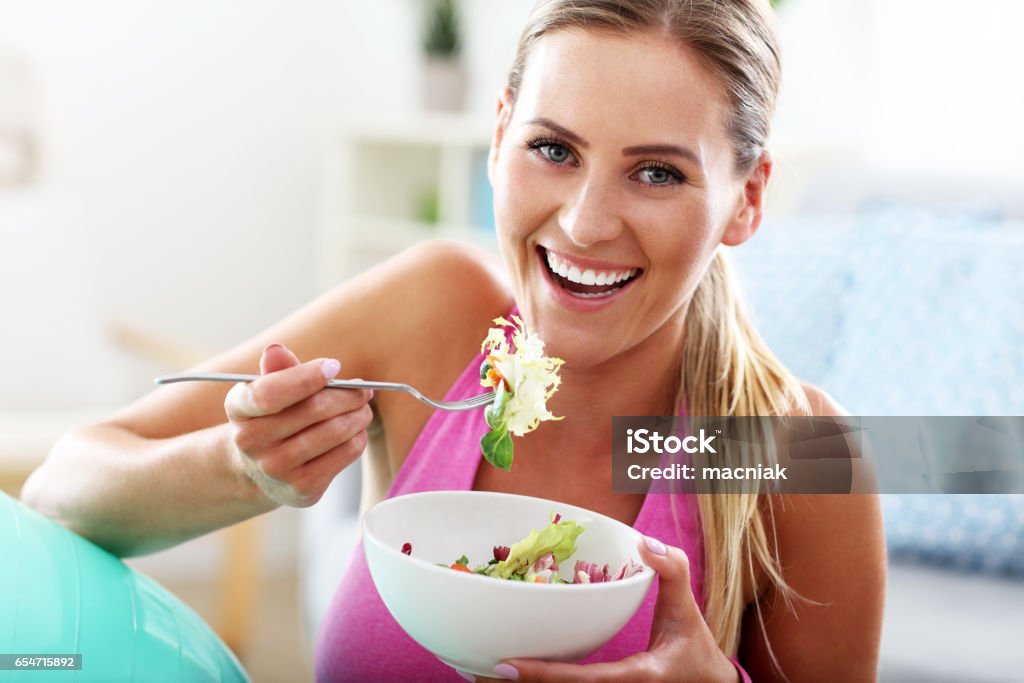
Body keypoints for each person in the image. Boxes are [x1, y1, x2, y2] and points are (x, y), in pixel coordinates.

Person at [22, 0, 885, 680]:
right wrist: (240, 468)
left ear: (748, 197)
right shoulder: (431, 314)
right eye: (553, 148)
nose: (584, 223)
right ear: (500, 133)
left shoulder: (794, 452)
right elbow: (64, 489)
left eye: (657, 172)